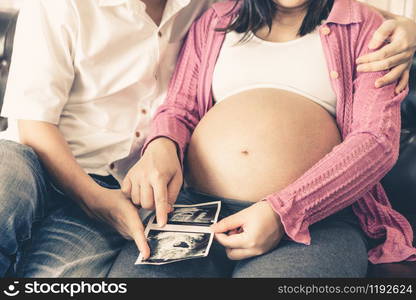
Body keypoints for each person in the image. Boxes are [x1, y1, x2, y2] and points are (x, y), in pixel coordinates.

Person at [0, 0, 414, 278]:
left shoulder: (367, 29)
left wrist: (283, 210)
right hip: (190, 210)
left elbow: (376, 140)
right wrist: (162, 143)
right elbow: (179, 109)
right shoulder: (216, 17)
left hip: (313, 220)